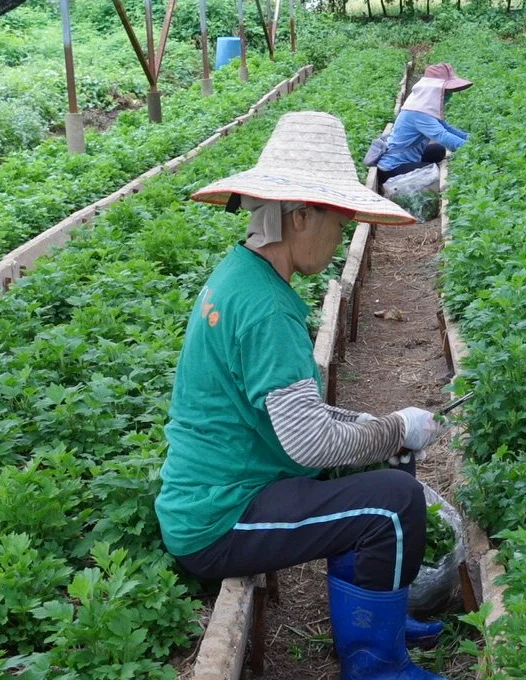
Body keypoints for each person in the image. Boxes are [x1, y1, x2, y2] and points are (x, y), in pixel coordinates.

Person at [159, 111, 449, 679]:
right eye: (337, 220)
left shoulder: (242, 275)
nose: (341, 236)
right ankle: (377, 663)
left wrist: (368, 422)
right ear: (300, 216)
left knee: (372, 476)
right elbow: (308, 442)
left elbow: (292, 413)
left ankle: (380, 617)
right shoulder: (266, 307)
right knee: (394, 503)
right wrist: (393, 427)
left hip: (230, 486)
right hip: (220, 518)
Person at [376, 63, 474, 186]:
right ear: (433, 91)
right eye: (446, 92)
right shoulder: (418, 112)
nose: (449, 95)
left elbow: (446, 128)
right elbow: (442, 135)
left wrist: (470, 140)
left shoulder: (422, 106)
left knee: (438, 150)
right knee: (433, 172)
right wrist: (473, 151)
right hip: (392, 168)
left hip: (406, 158)